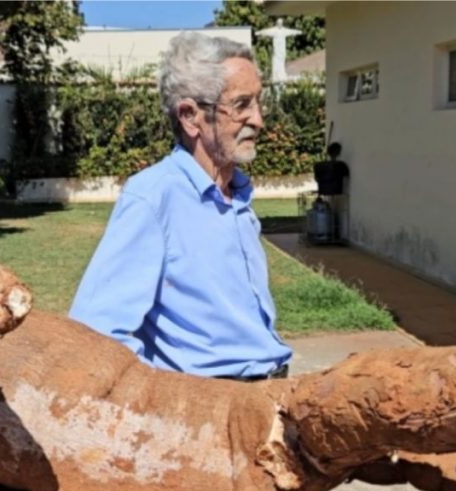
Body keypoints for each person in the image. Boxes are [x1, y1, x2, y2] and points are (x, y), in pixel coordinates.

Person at [69, 33, 292, 380]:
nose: (259, 120)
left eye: (259, 103)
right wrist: (173, 411)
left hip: (267, 395)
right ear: (190, 117)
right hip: (211, 412)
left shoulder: (238, 195)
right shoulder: (153, 198)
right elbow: (94, 333)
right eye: (242, 105)